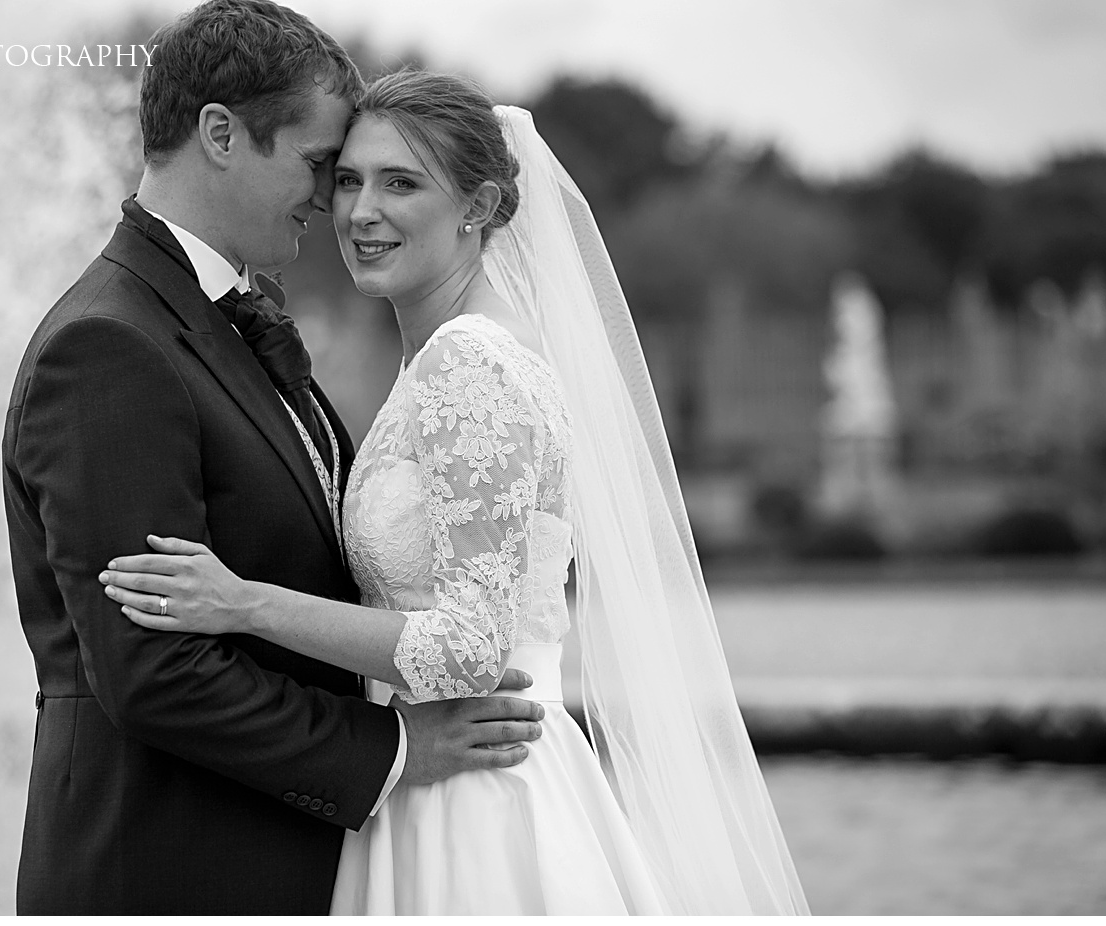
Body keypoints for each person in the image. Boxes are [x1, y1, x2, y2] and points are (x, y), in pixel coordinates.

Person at [100, 69, 810, 914]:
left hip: (478, 798)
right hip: (430, 774)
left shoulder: (472, 366)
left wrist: (245, 604)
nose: (361, 211)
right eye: (349, 179)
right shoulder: (441, 357)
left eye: (402, 183)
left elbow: (473, 647)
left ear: (478, 207)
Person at [2, 0, 545, 915]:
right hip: (170, 864)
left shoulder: (221, 320)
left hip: (293, 854)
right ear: (221, 133)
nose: (338, 201)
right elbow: (151, 670)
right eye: (323, 167)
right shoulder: (111, 346)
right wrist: (395, 750)